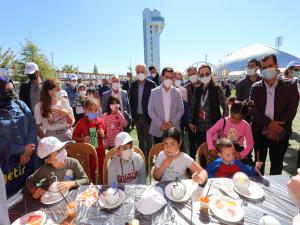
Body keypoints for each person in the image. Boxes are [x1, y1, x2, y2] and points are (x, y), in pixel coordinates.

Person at [250, 54, 299, 175]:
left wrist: (276, 129)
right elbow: (252, 109)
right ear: (260, 70)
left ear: (276, 66)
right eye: (264, 67)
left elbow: (292, 110)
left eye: (270, 66)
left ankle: (274, 192)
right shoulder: (255, 87)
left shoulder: (290, 85)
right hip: (259, 132)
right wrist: (269, 124)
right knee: (258, 164)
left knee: (276, 165)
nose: (267, 69)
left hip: (280, 133)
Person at [0, 77, 37, 196]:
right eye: (7, 91)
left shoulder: (20, 104)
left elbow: (32, 124)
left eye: (12, 89)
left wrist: (27, 151)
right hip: (9, 167)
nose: (11, 93)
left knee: (33, 189)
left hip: (29, 159)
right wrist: (21, 150)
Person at [188, 64, 229, 159]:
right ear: (199, 76)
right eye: (201, 75)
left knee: (214, 153)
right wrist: (190, 122)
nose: (204, 76)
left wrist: (222, 124)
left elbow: (225, 107)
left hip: (214, 128)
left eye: (207, 74)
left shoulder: (217, 88)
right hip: (199, 128)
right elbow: (192, 107)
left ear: (211, 74)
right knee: (202, 153)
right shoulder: (197, 89)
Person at [206, 97, 254, 165]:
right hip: (223, 151)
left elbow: (250, 143)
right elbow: (209, 132)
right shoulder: (223, 121)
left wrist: (241, 154)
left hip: (238, 151)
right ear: (230, 112)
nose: (234, 121)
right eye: (232, 118)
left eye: (237, 120)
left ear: (243, 117)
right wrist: (212, 148)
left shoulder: (246, 125)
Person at [72, 98, 106, 183]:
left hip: (100, 151)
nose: (94, 113)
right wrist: (82, 139)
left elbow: (104, 136)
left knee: (102, 168)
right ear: (85, 110)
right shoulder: (81, 122)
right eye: (91, 110)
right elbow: (74, 136)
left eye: (96, 110)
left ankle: (104, 184)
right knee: (90, 169)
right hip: (88, 152)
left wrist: (102, 134)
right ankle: (92, 184)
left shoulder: (100, 121)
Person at [148, 67, 184, 144]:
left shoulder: (177, 92)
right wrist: (160, 124)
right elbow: (150, 110)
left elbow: (181, 109)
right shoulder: (154, 92)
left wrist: (172, 123)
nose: (169, 79)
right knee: (159, 153)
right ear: (162, 77)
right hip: (158, 129)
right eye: (167, 77)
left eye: (171, 77)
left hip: (173, 129)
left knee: (173, 153)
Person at [129, 65, 156, 158]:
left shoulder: (152, 84)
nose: (140, 73)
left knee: (149, 140)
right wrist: (134, 116)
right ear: (136, 73)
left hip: (148, 117)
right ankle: (141, 157)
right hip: (137, 117)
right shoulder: (133, 85)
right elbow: (131, 102)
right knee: (140, 140)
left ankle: (149, 158)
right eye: (138, 72)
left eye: (142, 71)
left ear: (146, 72)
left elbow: (155, 102)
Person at [184, 66, 201, 157]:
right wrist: (189, 122)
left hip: (203, 121)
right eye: (190, 75)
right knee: (191, 146)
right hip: (191, 122)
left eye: (194, 74)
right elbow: (185, 108)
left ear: (197, 73)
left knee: (202, 144)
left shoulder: (204, 85)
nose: (192, 76)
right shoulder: (185, 89)